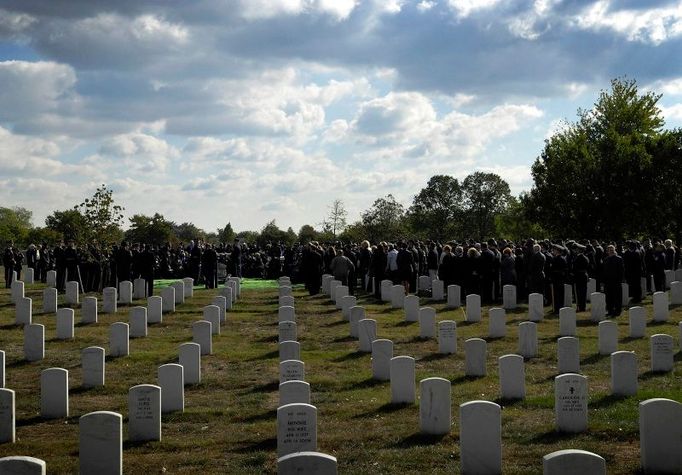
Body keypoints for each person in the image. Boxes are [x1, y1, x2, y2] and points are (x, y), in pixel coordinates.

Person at [603, 244, 624, 317]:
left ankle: (617, 311)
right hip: (608, 281)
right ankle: (610, 310)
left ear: (614, 250)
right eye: (608, 250)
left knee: (617, 297)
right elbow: (604, 271)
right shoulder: (606, 259)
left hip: (616, 281)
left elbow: (621, 271)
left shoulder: (619, 259)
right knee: (609, 297)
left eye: (611, 250)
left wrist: (620, 280)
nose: (610, 251)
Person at [572, 244, 590, 312]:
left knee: (580, 293)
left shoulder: (580, 258)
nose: (576, 251)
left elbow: (575, 267)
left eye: (577, 249)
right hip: (583, 276)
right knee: (582, 292)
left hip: (579, 276)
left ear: (579, 250)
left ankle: (581, 307)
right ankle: (581, 306)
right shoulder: (585, 257)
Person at [550, 244, 567, 314]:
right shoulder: (563, 259)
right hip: (561, 279)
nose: (553, 251)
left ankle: (557, 309)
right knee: (560, 294)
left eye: (554, 250)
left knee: (556, 294)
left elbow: (552, 269)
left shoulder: (556, 259)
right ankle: (560, 308)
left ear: (557, 251)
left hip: (556, 278)